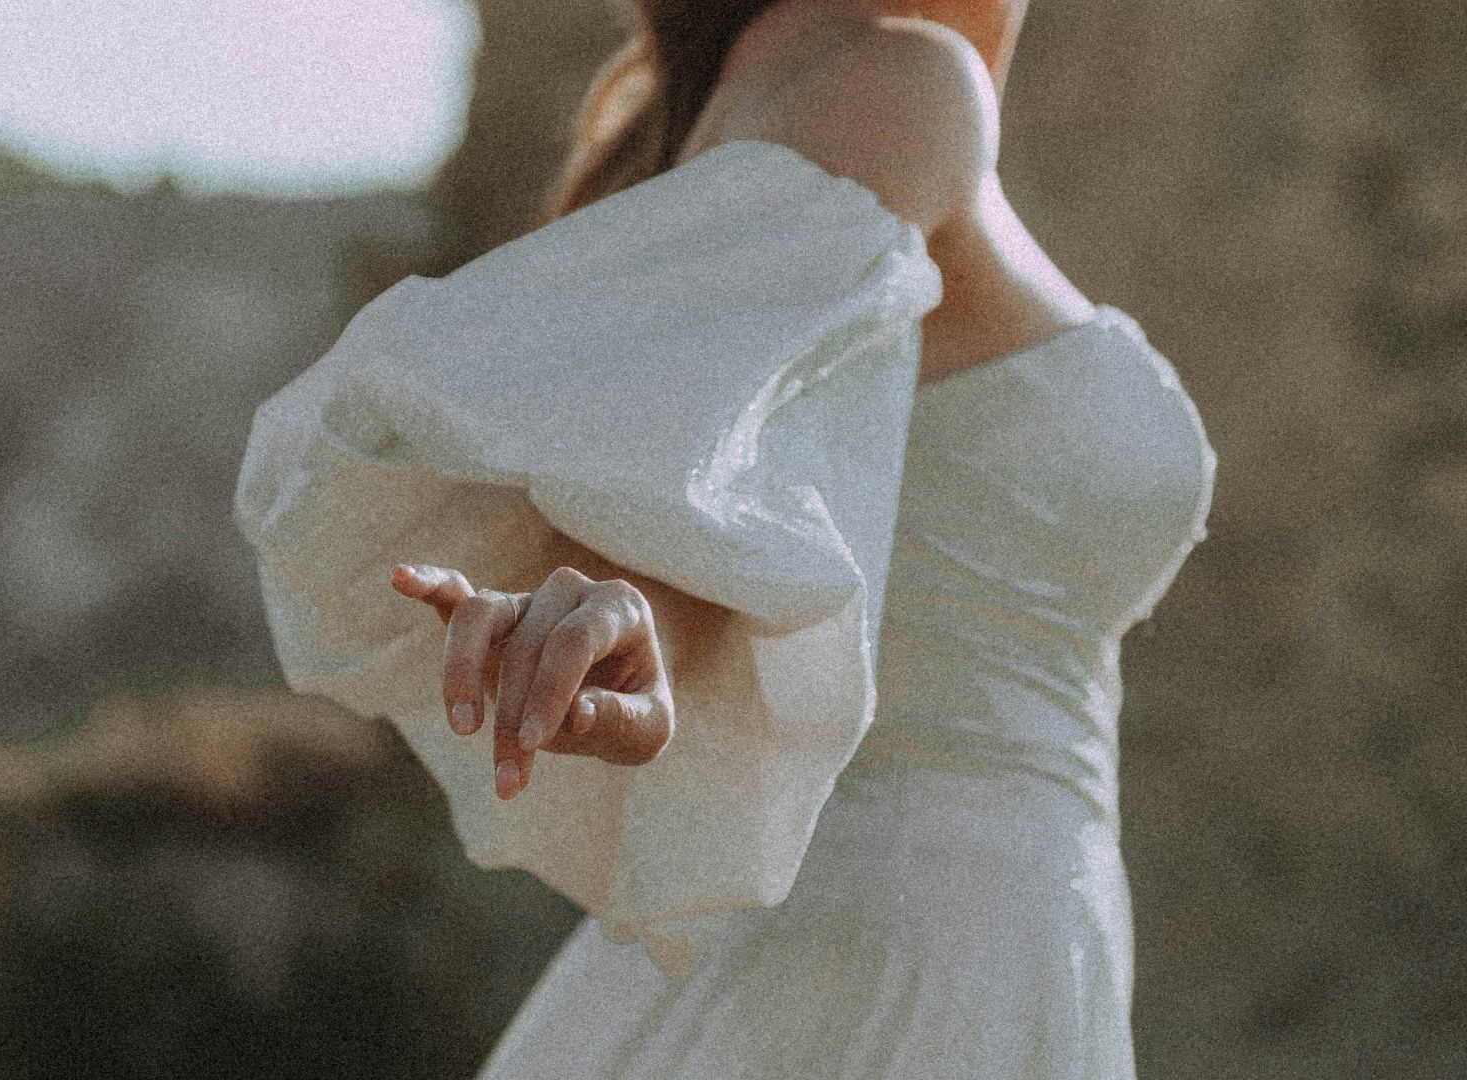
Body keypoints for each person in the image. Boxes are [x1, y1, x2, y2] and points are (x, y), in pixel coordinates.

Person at [233, 0, 1217, 1075]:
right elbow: (696, 473)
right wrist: (625, 605)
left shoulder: (793, 91)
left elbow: (752, 453)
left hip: (912, 936)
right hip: (910, 960)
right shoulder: (899, 83)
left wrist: (640, 607)